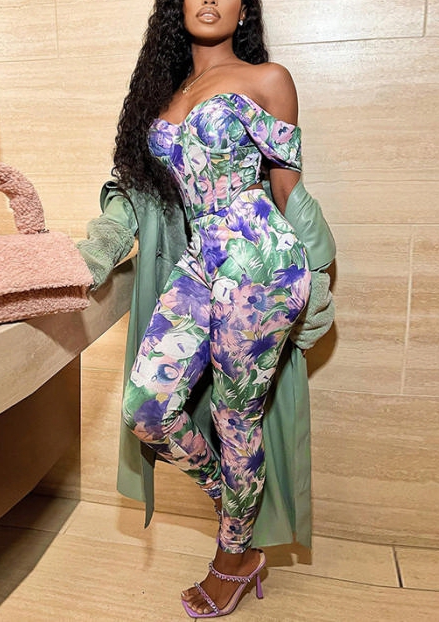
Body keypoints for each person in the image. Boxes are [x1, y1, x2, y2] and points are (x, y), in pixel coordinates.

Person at [77, 0, 335, 617]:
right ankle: (238, 508)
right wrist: (99, 244)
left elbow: (287, 187)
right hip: (200, 257)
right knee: (146, 408)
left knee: (235, 417)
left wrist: (321, 269)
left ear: (245, 10)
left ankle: (233, 557)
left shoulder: (267, 79)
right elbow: (136, 192)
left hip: (261, 256)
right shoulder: (160, 96)